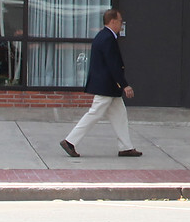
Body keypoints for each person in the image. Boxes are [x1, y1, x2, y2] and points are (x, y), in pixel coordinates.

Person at [60, 8, 141, 158]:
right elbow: (113, 64)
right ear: (112, 21)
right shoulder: (108, 38)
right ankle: (70, 141)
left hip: (108, 86)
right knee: (95, 113)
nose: (121, 24)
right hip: (106, 86)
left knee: (120, 115)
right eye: (120, 21)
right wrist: (125, 84)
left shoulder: (103, 36)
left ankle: (126, 147)